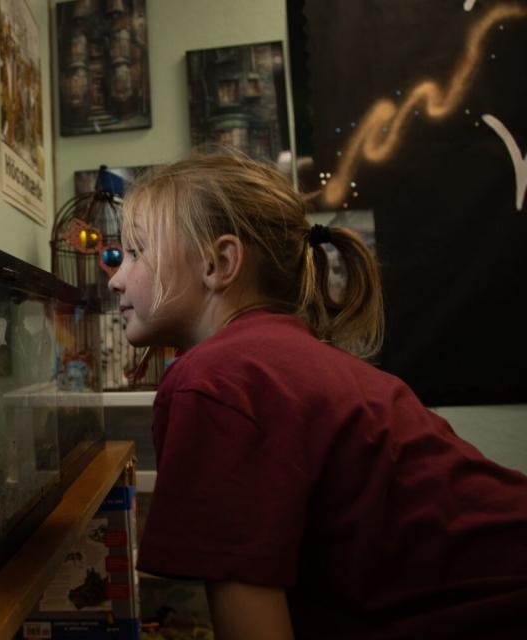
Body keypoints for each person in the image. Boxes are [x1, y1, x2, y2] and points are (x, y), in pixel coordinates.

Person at [107, 152, 527, 639]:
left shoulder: (216, 379)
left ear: (218, 263)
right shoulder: (274, 356)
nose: (116, 277)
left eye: (135, 253)